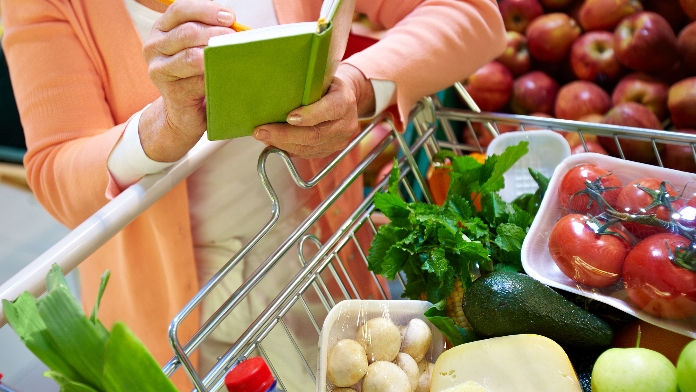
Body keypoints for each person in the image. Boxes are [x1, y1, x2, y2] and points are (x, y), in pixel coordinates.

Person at [0, 0, 506, 390]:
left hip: (328, 275)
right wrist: (163, 127)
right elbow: (55, 170)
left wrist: (356, 84)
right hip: (179, 330)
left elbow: (472, 14)